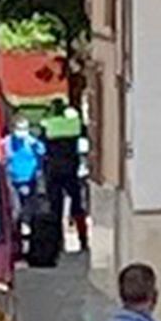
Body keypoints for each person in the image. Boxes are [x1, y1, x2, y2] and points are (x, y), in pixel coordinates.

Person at [41, 100, 88, 252]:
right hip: (70, 170)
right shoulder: (74, 124)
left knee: (55, 209)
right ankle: (83, 240)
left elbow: (43, 143)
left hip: (53, 171)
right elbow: (86, 134)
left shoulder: (49, 124)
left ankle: (58, 243)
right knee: (77, 208)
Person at [3, 117, 46, 210]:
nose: (22, 131)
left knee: (31, 206)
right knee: (15, 207)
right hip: (13, 179)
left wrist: (35, 144)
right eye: (19, 128)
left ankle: (27, 222)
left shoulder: (32, 142)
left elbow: (42, 152)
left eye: (24, 128)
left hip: (31, 178)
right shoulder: (7, 141)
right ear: (13, 128)